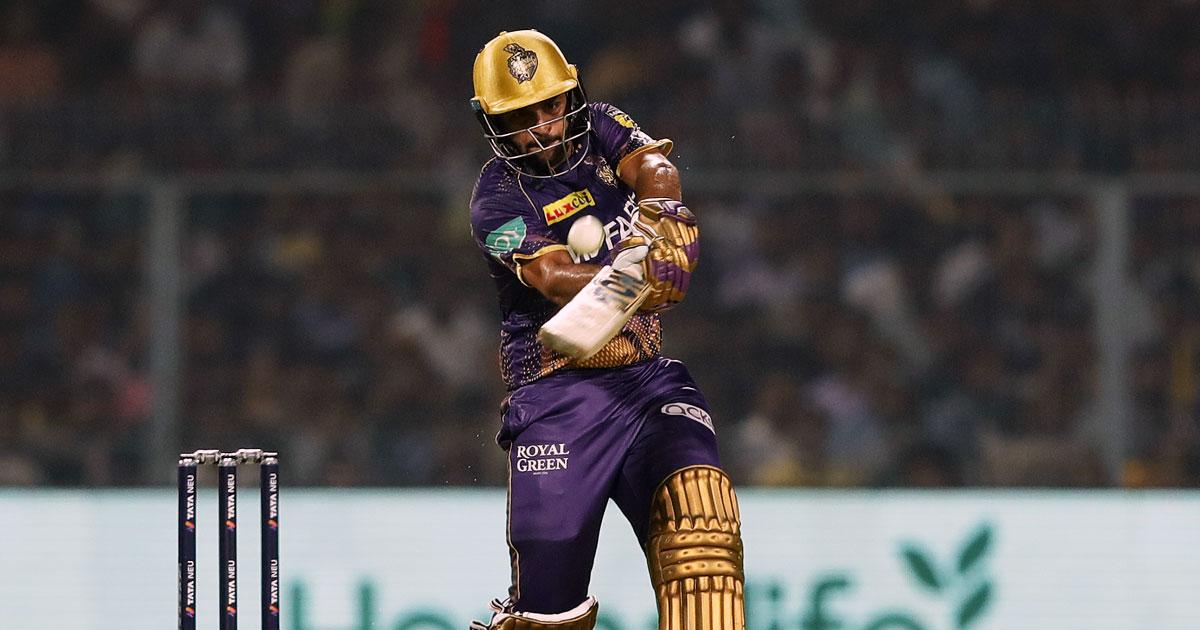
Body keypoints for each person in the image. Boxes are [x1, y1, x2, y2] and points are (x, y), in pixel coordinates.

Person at [466, 30, 745, 630]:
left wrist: (664, 217)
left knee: (703, 537)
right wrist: (637, 274)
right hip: (556, 398)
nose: (543, 127)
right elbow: (550, 276)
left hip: (646, 384)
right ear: (494, 123)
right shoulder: (496, 196)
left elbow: (653, 166)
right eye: (521, 117)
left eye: (551, 105)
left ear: (570, 94)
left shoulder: (599, 123)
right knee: (548, 619)